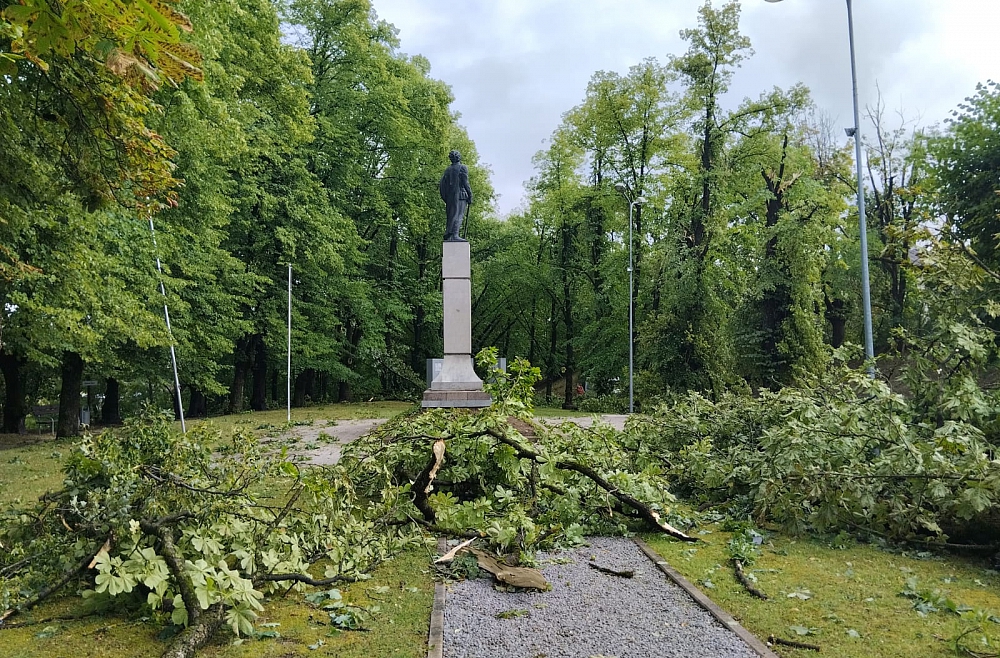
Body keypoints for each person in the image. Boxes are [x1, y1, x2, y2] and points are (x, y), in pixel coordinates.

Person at [439, 150, 473, 241]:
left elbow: (442, 185)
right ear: (459, 157)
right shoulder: (462, 167)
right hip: (461, 196)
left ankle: (450, 234)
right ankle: (454, 235)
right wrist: (470, 195)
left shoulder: (448, 170)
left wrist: (446, 197)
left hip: (450, 198)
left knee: (451, 215)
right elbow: (465, 183)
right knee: (459, 215)